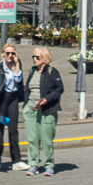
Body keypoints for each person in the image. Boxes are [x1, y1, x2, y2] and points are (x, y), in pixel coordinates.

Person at [22, 45, 64, 176]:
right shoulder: (32, 71)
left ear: (45, 58)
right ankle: (33, 164)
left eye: (37, 57)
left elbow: (59, 89)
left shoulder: (52, 72)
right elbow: (26, 89)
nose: (34, 59)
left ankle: (49, 165)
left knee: (46, 139)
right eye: (33, 57)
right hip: (31, 109)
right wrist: (25, 105)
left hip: (47, 110)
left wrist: (46, 99)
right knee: (32, 139)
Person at [0, 42, 26, 172]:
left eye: (13, 53)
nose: (10, 55)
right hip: (1, 99)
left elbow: (18, 80)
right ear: (3, 54)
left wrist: (16, 64)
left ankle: (16, 160)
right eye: (8, 53)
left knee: (13, 129)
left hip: (13, 98)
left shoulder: (17, 64)